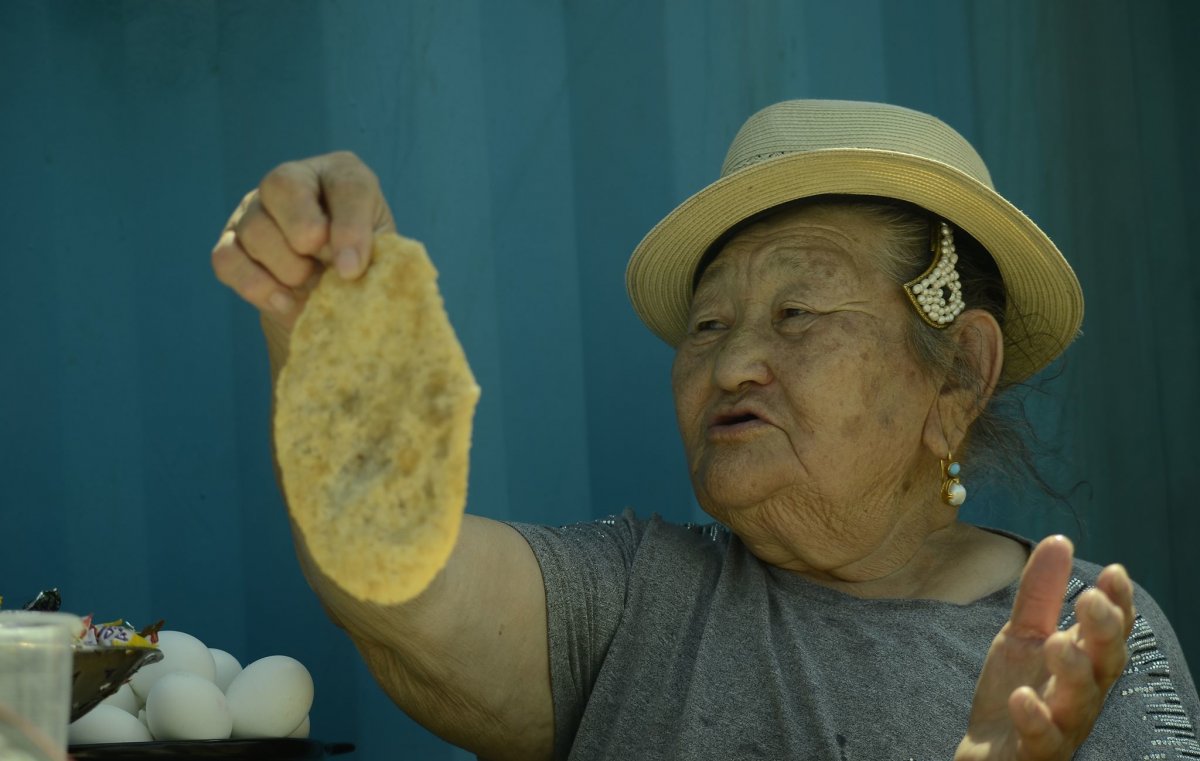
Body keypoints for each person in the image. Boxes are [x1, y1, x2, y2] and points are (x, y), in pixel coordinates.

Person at [211, 100, 1199, 759]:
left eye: (799, 314)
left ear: (961, 375)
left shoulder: (1098, 643)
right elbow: (393, 570)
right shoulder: (635, 602)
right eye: (709, 324)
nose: (729, 365)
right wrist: (321, 317)